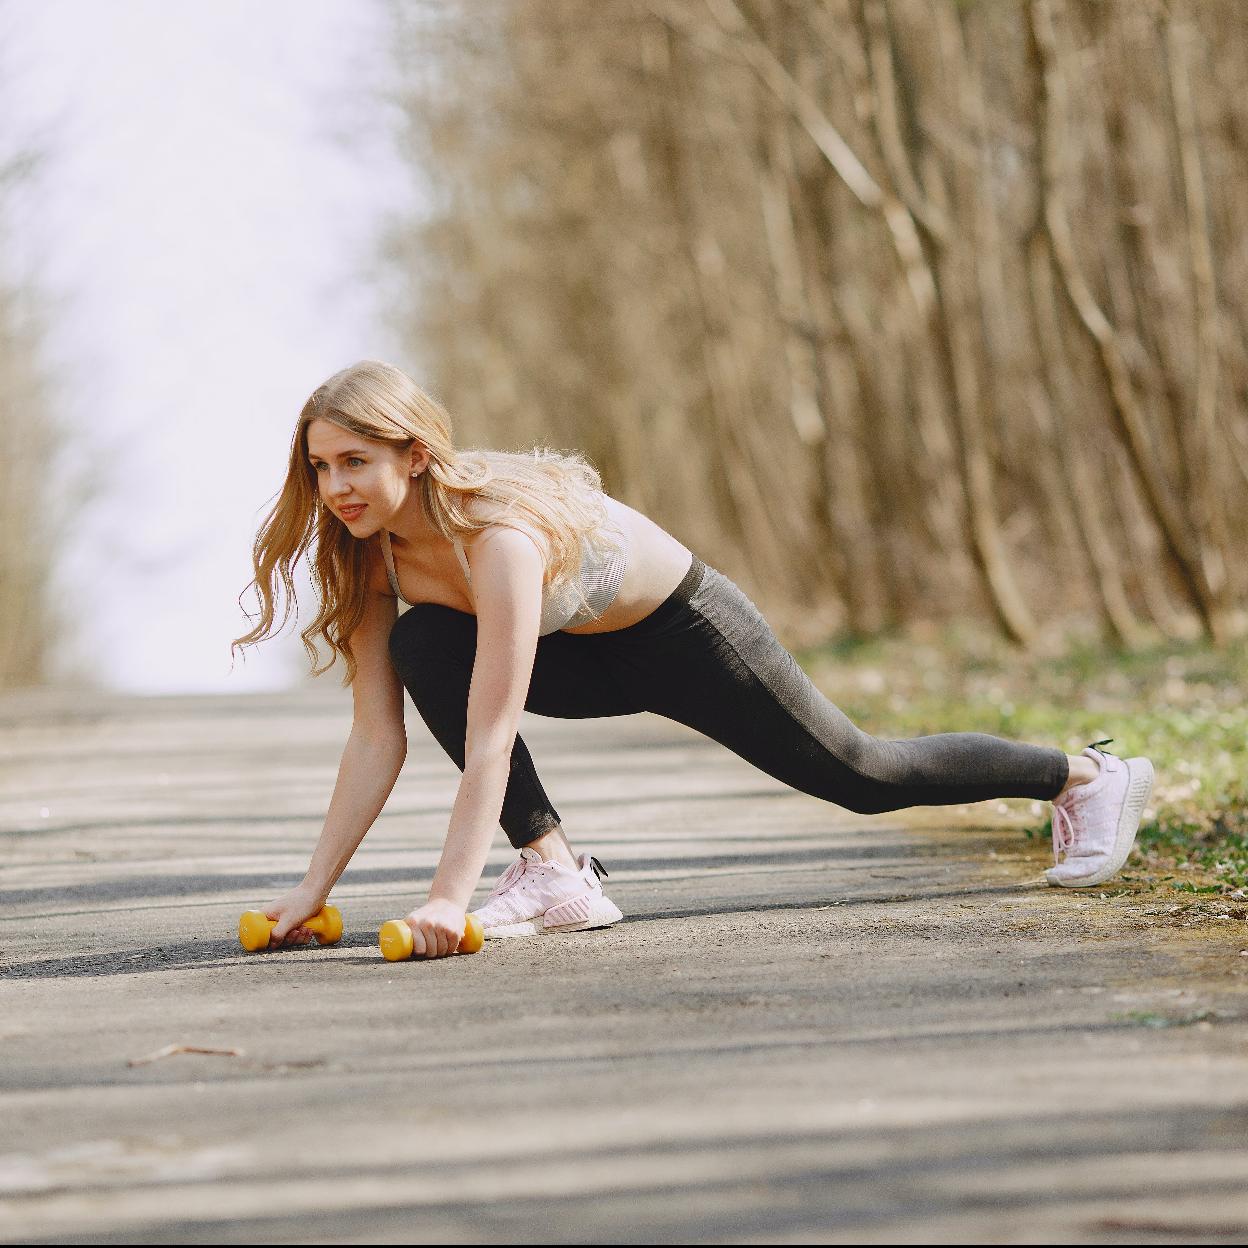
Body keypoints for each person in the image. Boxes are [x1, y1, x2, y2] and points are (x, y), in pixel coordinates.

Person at [232, 360, 1156, 957]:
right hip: (578, 655)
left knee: (862, 774)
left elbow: (491, 737)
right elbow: (375, 738)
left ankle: (1084, 776)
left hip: (686, 633)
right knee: (424, 641)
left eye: (354, 461)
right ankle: (555, 873)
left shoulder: (495, 535)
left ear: (414, 454)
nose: (336, 487)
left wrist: (447, 900)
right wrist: (311, 892)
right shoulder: (366, 559)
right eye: (321, 467)